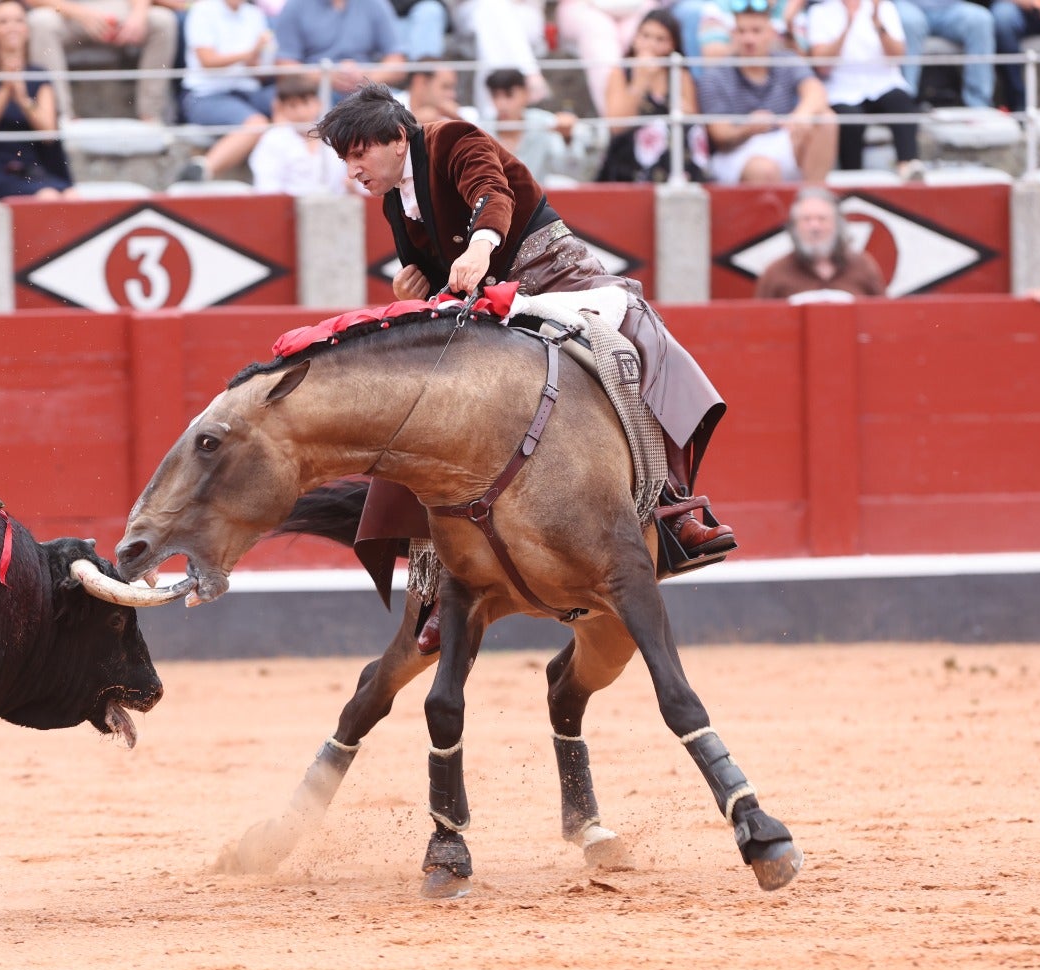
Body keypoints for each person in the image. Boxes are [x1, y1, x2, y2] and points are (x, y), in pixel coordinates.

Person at [315, 83, 738, 651]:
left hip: (558, 279)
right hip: (490, 306)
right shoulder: (397, 201)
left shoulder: (450, 140)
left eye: (358, 153)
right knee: (421, 407)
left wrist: (480, 247)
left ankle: (670, 506)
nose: (352, 171)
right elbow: (432, 270)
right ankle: (439, 576)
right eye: (344, 160)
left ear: (395, 138)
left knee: (634, 341)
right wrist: (409, 281)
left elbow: (491, 194)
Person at [699, 2, 836, 183]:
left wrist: (801, 115)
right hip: (735, 152)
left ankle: (813, 200)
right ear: (733, 35)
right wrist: (748, 128)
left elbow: (815, 91)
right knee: (764, 170)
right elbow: (720, 136)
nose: (749, 39)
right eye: (742, 31)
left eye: (756, 31)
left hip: (780, 140)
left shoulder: (787, 60)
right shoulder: (716, 74)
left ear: (771, 34)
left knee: (825, 120)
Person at [0, 0, 74, 197]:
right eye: (3, 22)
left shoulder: (38, 74)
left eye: (18, 21)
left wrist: (23, 98)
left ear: (27, 29)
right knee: (47, 197)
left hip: (35, 169)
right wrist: (5, 90)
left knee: (72, 197)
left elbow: (48, 132)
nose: (12, 27)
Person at [806, 0, 924, 179]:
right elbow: (822, 66)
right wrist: (847, 26)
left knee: (901, 101)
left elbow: (898, 56)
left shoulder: (884, 8)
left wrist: (878, 24)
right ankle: (853, 177)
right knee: (850, 120)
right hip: (841, 89)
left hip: (883, 84)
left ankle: (908, 167)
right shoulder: (820, 12)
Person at [596, 9, 710, 183]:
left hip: (676, 156)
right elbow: (617, 126)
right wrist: (640, 82)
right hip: (630, 158)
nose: (650, 44)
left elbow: (692, 120)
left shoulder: (680, 74)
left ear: (672, 44)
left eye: (660, 39)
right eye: (645, 36)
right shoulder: (620, 73)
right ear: (635, 38)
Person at [22, 0, 179, 122]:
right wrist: (79, 13)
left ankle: (151, 116)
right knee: (39, 21)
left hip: (120, 8)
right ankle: (59, 116)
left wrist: (139, 14)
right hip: (65, 11)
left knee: (163, 21)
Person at [175, 0, 277, 182]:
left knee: (293, 106)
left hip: (248, 93)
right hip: (205, 95)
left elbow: (261, 73)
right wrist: (249, 53)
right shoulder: (202, 10)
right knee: (256, 123)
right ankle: (201, 170)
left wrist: (256, 61)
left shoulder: (255, 14)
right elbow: (207, 61)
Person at [755, 186, 886, 299]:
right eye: (806, 219)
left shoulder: (863, 267)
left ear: (837, 224)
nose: (815, 227)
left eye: (822, 219)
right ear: (794, 227)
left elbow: (884, 318)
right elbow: (759, 323)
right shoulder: (775, 274)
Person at [273, 0, 407, 94]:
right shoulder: (295, 5)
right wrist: (324, 77)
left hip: (366, 94)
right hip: (313, 94)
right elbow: (284, 66)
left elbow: (397, 61)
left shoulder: (375, 4)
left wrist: (366, 78)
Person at [483, 68, 590, 185]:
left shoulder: (542, 124)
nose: (501, 104)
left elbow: (570, 170)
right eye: (495, 96)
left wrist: (567, 138)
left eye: (509, 95)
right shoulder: (482, 130)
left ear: (525, 93)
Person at [249, 75, 353, 193]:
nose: (300, 112)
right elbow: (267, 187)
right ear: (282, 108)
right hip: (288, 208)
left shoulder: (337, 136)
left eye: (305, 103)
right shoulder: (273, 139)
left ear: (318, 104)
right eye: (292, 105)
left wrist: (352, 189)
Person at [554, 0, 659, 115]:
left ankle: (652, 118)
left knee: (648, 32)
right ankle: (612, 115)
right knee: (598, 32)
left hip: (634, 7)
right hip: (584, 9)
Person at [898, 0, 996, 109]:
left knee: (981, 20)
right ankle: (905, 103)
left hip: (950, 7)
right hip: (907, 6)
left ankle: (979, 105)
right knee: (909, 22)